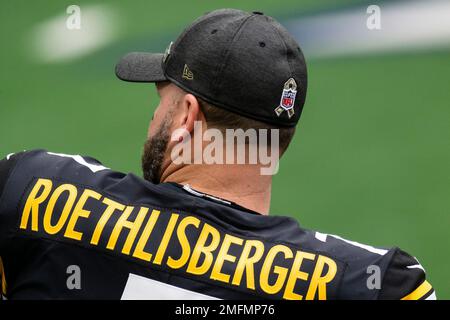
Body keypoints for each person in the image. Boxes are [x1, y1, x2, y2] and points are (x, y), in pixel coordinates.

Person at [0, 8, 435, 300]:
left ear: (186, 116)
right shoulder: (373, 283)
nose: (155, 120)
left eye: (162, 103)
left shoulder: (35, 194)